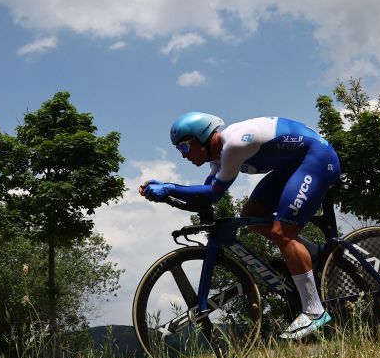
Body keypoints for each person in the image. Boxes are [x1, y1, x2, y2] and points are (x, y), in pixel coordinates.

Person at [139, 112, 341, 340]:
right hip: (296, 164)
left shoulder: (234, 144)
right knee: (253, 216)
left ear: (202, 138)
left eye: (184, 148)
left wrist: (169, 188)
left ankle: (314, 311)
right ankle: (313, 254)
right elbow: (206, 197)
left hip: (317, 159)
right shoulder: (218, 158)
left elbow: (214, 193)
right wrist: (166, 193)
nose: (183, 156)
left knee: (282, 232)